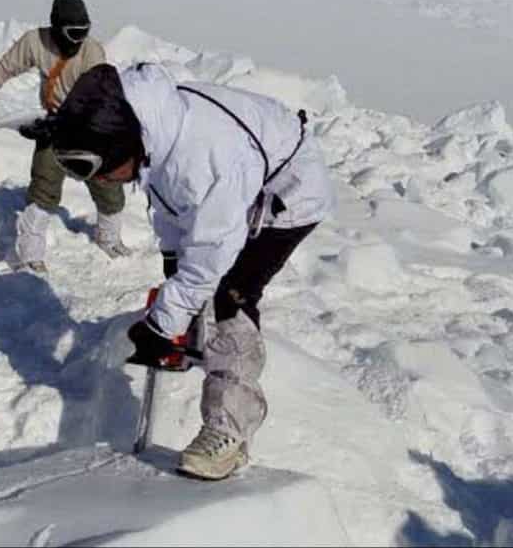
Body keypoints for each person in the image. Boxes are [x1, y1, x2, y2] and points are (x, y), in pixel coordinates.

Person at [50, 63, 335, 480]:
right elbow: (169, 200)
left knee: (231, 295)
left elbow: (210, 248)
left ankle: (228, 434)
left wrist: (163, 325)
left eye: (96, 169)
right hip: (240, 178)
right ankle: (201, 340)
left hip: (289, 194)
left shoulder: (206, 158)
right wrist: (171, 258)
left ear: (124, 147)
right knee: (191, 279)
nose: (100, 180)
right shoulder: (150, 128)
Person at [0, 0, 128, 273]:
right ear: (56, 27)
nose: (79, 39)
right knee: (43, 188)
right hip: (54, 127)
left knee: (108, 187)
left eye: (84, 32)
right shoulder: (35, 41)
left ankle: (109, 238)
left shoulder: (92, 52)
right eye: (73, 33)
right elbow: (6, 66)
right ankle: (30, 254)